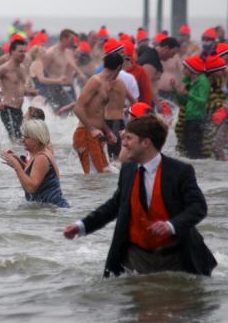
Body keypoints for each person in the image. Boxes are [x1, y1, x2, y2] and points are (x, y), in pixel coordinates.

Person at [64, 114, 217, 277]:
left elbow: (198, 207)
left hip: (176, 256)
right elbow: (115, 205)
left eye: (129, 138)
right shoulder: (128, 169)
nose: (124, 143)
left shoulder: (180, 171)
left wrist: (171, 225)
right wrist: (82, 226)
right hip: (136, 256)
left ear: (146, 143)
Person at [2, 119, 69, 208]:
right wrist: (18, 161)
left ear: (37, 139)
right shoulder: (42, 152)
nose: (22, 141)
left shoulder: (41, 157)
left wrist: (17, 166)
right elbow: (36, 174)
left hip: (53, 208)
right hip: (52, 208)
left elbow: (31, 188)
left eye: (26, 137)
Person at [72, 53, 121, 174]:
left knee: (103, 176)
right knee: (94, 179)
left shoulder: (107, 84)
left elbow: (97, 113)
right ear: (119, 67)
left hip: (96, 136)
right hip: (85, 134)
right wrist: (92, 129)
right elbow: (77, 108)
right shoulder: (95, 81)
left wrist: (108, 131)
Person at [0, 39, 36, 142]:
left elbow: (19, 88)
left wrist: (29, 92)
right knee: (17, 140)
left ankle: (14, 157)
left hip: (18, 110)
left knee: (20, 140)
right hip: (7, 109)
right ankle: (8, 157)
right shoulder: (4, 68)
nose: (23, 54)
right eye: (20, 51)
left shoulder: (22, 68)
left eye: (24, 51)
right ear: (11, 52)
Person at [172, 55, 210, 159]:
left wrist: (188, 94)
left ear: (192, 70)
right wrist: (175, 90)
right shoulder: (187, 80)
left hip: (198, 119)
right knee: (187, 149)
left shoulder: (203, 82)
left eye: (185, 68)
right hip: (189, 118)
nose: (183, 70)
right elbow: (183, 101)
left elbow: (203, 101)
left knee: (194, 151)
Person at [137, 37, 180, 111]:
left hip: (147, 101)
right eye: (172, 53)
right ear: (166, 48)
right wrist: (158, 103)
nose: (172, 57)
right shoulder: (150, 61)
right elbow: (146, 84)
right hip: (143, 103)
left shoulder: (152, 56)